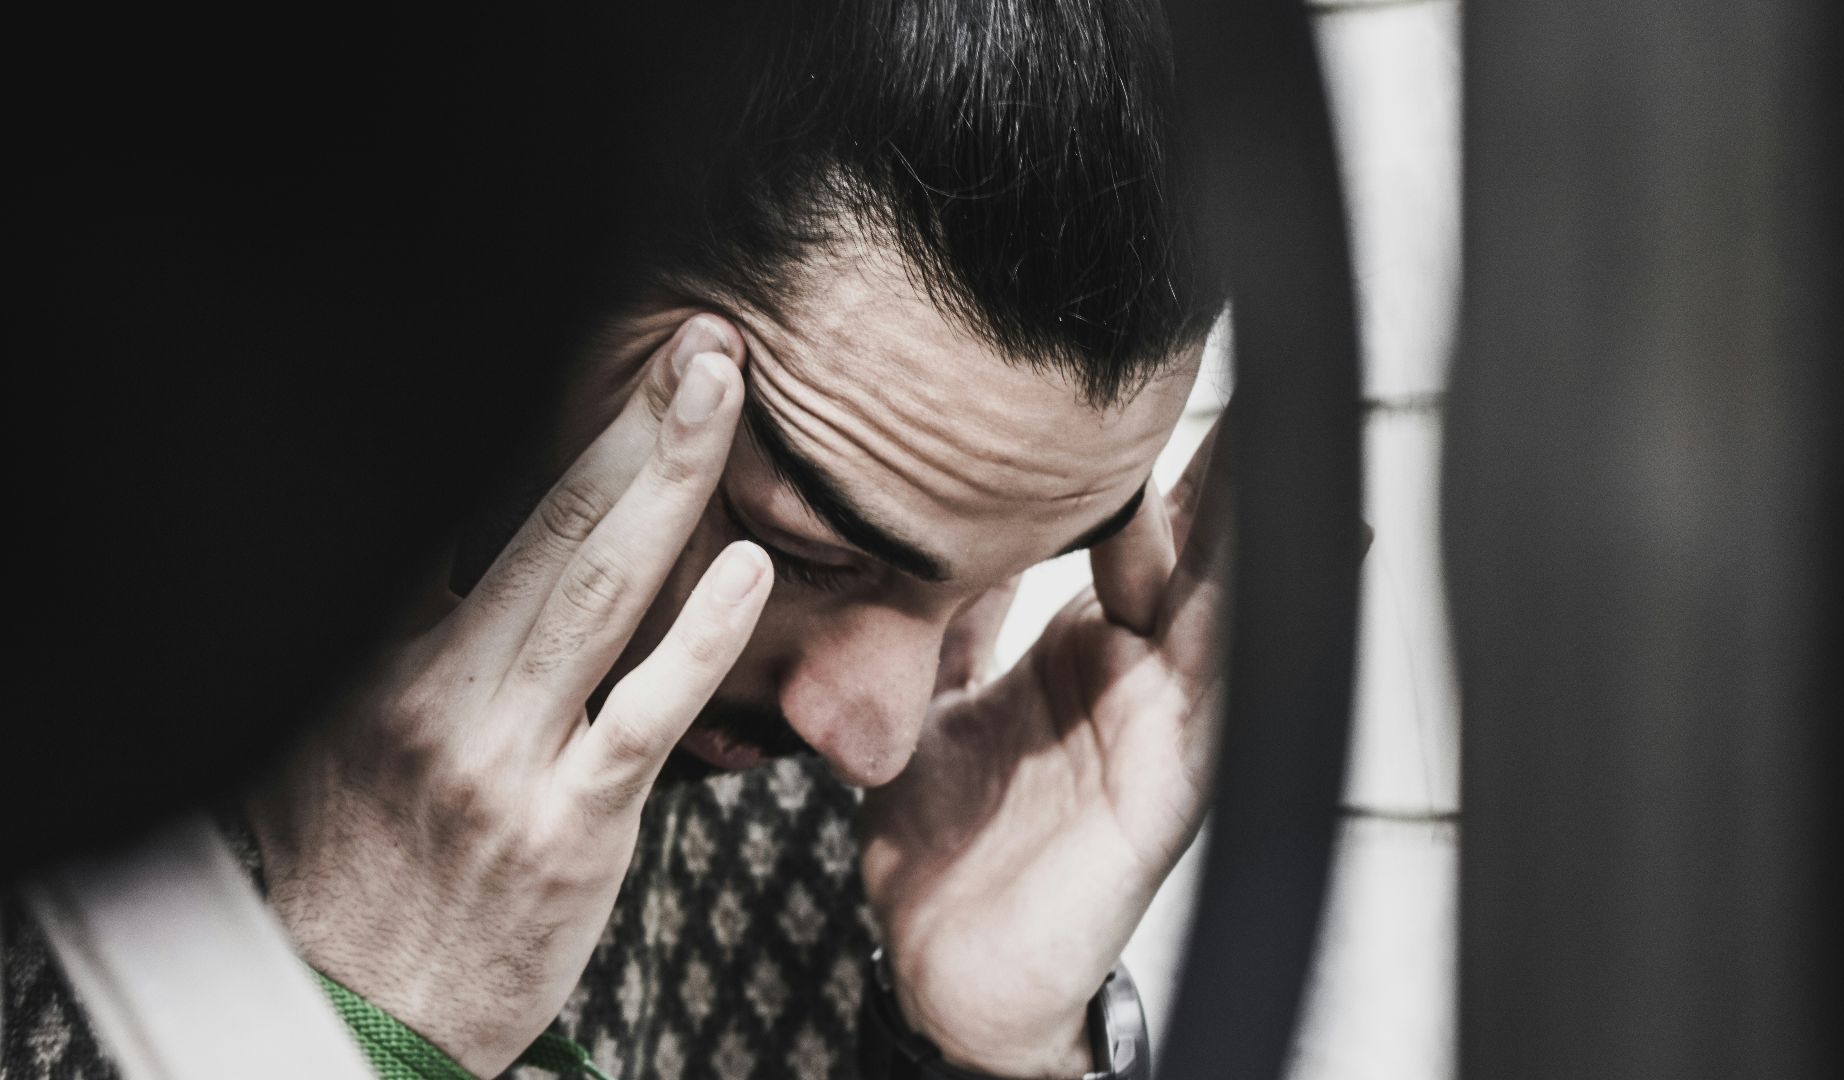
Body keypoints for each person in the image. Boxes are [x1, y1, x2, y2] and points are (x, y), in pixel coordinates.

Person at [2, 1, 1229, 1077]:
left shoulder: (842, 842)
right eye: (802, 543)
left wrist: (983, 1052)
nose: (877, 737)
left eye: (998, 580)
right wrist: (361, 1022)